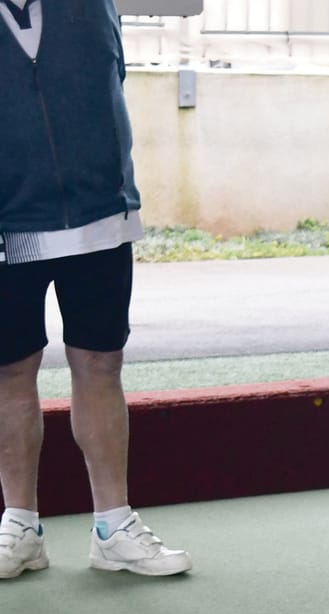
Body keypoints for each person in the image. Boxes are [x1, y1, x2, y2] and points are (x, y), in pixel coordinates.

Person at [0, 0, 191, 580]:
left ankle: (114, 527)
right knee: (10, 372)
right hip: (9, 224)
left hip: (99, 214)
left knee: (101, 364)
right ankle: (20, 526)